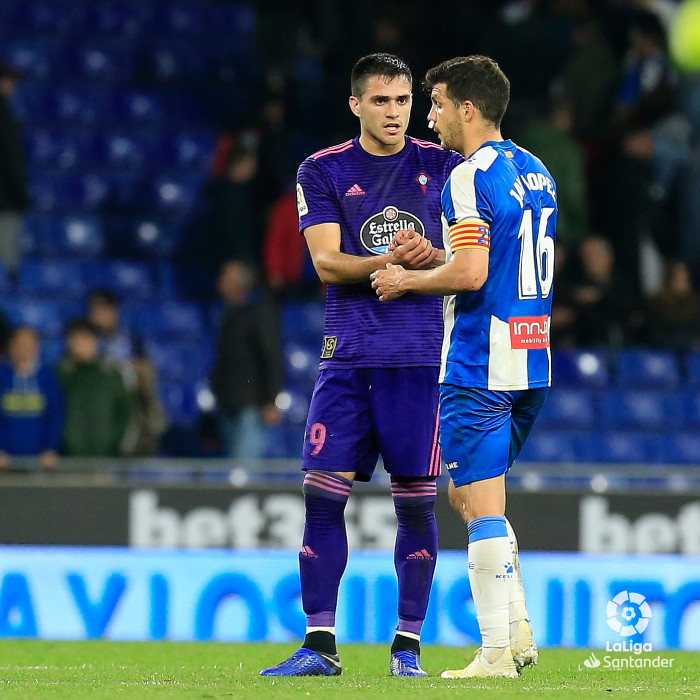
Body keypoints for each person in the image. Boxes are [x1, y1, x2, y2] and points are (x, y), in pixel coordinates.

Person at [260, 53, 462, 679]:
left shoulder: (445, 167)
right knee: (321, 500)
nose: (396, 113)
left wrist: (431, 257)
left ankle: (407, 649)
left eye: (403, 101)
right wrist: (393, 267)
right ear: (356, 105)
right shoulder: (322, 169)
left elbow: (469, 258)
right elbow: (324, 263)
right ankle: (319, 645)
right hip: (346, 361)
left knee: (417, 507)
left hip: (417, 363)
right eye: (381, 101)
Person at [372, 55, 556, 679]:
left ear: (467, 109)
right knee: (473, 497)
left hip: (480, 361)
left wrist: (408, 276)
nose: (429, 118)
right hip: (531, 357)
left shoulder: (465, 177)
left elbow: (472, 273)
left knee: (480, 508)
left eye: (438, 105)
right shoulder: (535, 171)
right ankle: (520, 629)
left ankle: (496, 653)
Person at [211, 259, 283, 460]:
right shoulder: (227, 315)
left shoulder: (259, 313)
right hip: (228, 403)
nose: (219, 283)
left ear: (238, 284)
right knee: (231, 465)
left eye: (224, 278)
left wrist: (270, 400)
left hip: (251, 404)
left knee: (245, 466)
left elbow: (271, 357)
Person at [58, 318, 129, 457]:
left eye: (83, 338)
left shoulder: (111, 375)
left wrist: (111, 441)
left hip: (104, 456)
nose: (77, 343)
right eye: (73, 338)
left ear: (95, 340)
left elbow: (124, 412)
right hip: (67, 457)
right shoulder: (60, 374)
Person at [0, 326, 63, 470]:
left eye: (28, 343)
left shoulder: (47, 377)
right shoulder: (2, 376)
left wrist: (50, 448)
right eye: (19, 343)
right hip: (5, 460)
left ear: (36, 346)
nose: (23, 348)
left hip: (40, 460)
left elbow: (54, 415)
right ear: (11, 346)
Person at [0, 62, 29, 277]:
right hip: (4, 199)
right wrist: (21, 195)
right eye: (7, 80)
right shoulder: (4, 117)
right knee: (7, 261)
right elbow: (11, 159)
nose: (11, 86)